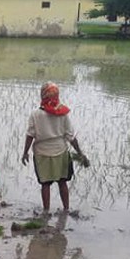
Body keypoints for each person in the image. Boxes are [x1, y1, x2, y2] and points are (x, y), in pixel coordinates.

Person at [21, 82, 89, 212]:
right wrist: (80, 153)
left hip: (42, 154)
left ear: (43, 95)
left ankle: (46, 211)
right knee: (62, 182)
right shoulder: (62, 113)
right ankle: (66, 210)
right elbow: (71, 137)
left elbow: (30, 135)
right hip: (61, 152)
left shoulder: (36, 114)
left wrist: (25, 153)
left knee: (45, 184)